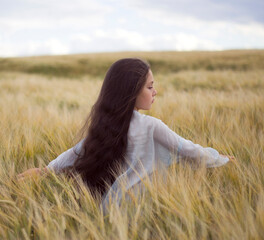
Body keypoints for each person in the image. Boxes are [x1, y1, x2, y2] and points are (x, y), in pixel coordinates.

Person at [17, 58, 235, 215]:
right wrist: (220, 159)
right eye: (150, 87)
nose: (155, 91)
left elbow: (77, 152)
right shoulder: (151, 126)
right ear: (131, 91)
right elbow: (186, 149)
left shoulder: (107, 125)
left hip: (110, 205)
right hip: (142, 207)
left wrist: (46, 170)